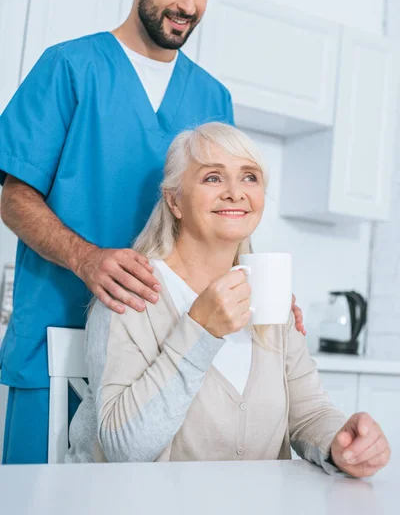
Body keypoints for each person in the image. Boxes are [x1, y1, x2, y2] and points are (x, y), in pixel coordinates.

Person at [0, 0, 303, 464]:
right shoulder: (70, 68)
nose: (188, 3)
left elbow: (223, 224)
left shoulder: (212, 96)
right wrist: (86, 258)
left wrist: (262, 293)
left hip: (164, 350)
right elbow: (13, 198)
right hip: (57, 331)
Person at [66, 123, 390, 479]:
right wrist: (199, 330)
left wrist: (341, 444)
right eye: (212, 178)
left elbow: (309, 412)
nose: (236, 192)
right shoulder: (131, 289)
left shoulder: (272, 293)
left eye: (249, 177)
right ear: (174, 201)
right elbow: (124, 449)